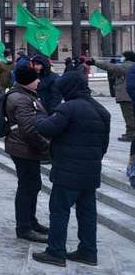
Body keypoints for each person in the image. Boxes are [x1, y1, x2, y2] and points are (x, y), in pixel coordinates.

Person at [31, 71, 110, 268]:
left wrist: (39, 115)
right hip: (90, 171)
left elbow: (46, 128)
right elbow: (104, 145)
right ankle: (88, 251)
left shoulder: (68, 108)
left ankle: (55, 252)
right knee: (87, 213)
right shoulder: (101, 109)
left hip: (67, 171)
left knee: (59, 211)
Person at [4, 65, 50, 244]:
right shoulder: (21, 99)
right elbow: (29, 129)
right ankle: (24, 227)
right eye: (35, 78)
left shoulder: (24, 94)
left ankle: (31, 221)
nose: (38, 81)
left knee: (33, 185)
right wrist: (45, 146)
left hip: (24, 146)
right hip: (23, 147)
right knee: (27, 187)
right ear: (27, 81)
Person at [90, 52, 135, 141]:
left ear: (127, 58)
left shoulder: (128, 65)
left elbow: (112, 67)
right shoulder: (130, 65)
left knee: (129, 116)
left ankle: (131, 135)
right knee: (130, 115)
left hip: (126, 96)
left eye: (123, 57)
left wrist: (96, 63)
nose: (121, 58)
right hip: (128, 95)